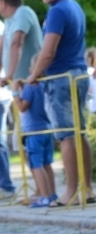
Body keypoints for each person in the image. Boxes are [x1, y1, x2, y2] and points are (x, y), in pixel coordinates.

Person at [26, 0, 94, 207]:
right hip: (78, 73)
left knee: (66, 136)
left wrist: (33, 75)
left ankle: (71, 192)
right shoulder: (73, 6)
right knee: (79, 134)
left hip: (61, 78)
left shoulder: (56, 11)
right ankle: (87, 189)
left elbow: (48, 51)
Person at [0, 0, 42, 200]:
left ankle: (43, 190)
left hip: (28, 85)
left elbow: (17, 42)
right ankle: (39, 189)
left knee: (32, 140)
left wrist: (9, 75)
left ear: (3, 2)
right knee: (23, 141)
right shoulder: (9, 21)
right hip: (19, 86)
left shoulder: (23, 13)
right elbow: (4, 45)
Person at [14, 67, 56, 207]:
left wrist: (15, 92)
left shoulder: (30, 87)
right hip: (47, 129)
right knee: (47, 164)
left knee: (36, 165)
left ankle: (44, 196)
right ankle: (52, 194)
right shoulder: (45, 85)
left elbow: (22, 107)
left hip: (33, 131)